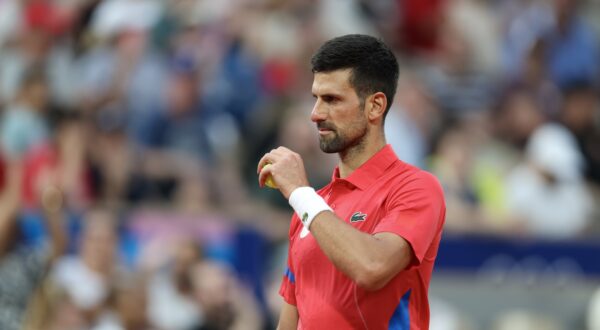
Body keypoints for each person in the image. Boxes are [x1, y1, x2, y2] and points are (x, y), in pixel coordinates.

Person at [257, 34, 446, 329]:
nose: (315, 114)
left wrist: (300, 193)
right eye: (316, 99)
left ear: (375, 106)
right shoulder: (309, 208)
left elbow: (372, 267)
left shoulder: (416, 188)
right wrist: (305, 198)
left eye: (331, 99)